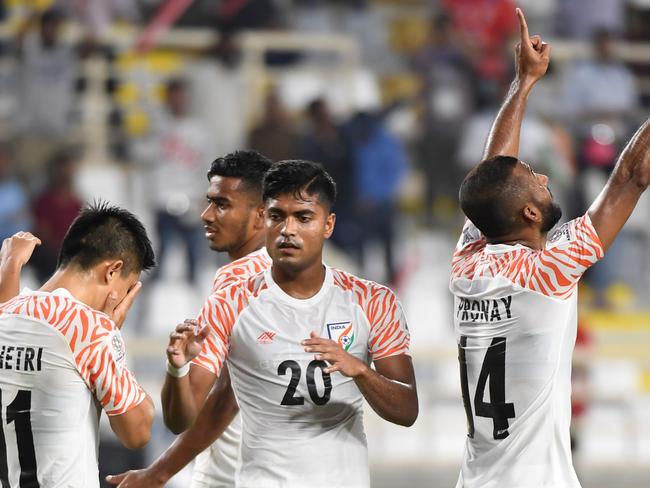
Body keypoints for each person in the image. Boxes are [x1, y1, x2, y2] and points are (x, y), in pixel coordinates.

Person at [107, 160, 418, 487]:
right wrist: (177, 369)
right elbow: (189, 411)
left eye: (303, 218)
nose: (289, 230)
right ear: (265, 218)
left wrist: (360, 370)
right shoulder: (233, 299)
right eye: (278, 217)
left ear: (328, 224)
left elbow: (406, 410)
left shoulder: (368, 300)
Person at [451, 8, 650, 487]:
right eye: (533, 180)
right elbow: (631, 175)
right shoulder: (549, 270)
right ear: (530, 215)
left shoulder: (468, 262)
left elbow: (494, 172)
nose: (541, 175)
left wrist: (523, 82)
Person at [0, 202, 156, 487]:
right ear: (113, 271)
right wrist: (111, 336)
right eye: (127, 287)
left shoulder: (7, 313)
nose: (123, 299)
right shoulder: (90, 329)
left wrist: (10, 266)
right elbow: (138, 431)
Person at [161, 149, 273, 488]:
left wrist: (176, 366)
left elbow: (184, 413)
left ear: (261, 215)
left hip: (230, 477)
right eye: (209, 202)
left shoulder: (235, 282)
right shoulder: (310, 279)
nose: (206, 215)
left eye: (221, 204)